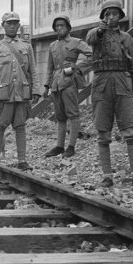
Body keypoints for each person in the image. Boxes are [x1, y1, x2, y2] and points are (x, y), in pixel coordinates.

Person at [85, 0, 133, 187]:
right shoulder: (96, 35)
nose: (111, 17)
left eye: (115, 14)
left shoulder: (126, 38)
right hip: (101, 86)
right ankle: (107, 175)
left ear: (120, 16)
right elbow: (90, 38)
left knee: (130, 131)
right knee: (103, 131)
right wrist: (100, 30)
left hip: (123, 85)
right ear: (103, 17)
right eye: (107, 14)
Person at [0, 11, 41, 171]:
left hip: (22, 93)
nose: (12, 26)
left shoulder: (26, 46)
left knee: (20, 126)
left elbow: (33, 70)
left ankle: (22, 160)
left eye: (14, 23)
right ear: (3, 26)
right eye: (8, 23)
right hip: (4, 93)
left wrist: (36, 90)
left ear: (18, 25)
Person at [43, 15, 92, 158]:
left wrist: (77, 66)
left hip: (69, 82)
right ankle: (59, 146)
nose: (59, 28)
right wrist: (46, 86)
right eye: (56, 26)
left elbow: (93, 55)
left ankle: (71, 147)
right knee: (60, 117)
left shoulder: (76, 42)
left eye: (62, 25)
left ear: (68, 27)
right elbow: (49, 68)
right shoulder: (52, 46)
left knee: (73, 114)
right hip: (55, 85)